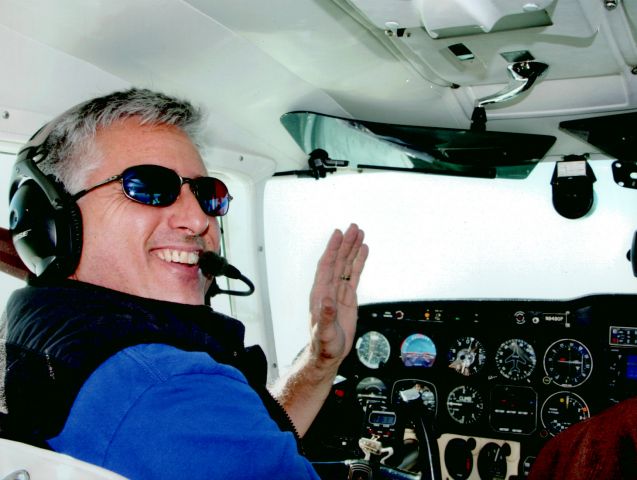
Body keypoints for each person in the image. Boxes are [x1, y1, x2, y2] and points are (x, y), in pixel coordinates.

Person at [0, 88, 369, 479]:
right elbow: (181, 414)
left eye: (207, 193)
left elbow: (225, 442)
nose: (198, 221)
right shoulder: (164, 386)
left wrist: (320, 362)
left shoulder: (39, 333)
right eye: (147, 187)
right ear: (49, 223)